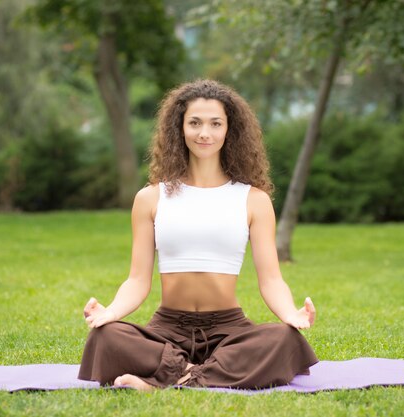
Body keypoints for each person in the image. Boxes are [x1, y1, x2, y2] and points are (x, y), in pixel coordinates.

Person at [79, 79, 318, 391]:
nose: (205, 133)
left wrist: (291, 314)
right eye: (195, 123)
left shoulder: (253, 200)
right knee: (106, 336)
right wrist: (110, 312)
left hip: (229, 329)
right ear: (179, 128)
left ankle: (168, 378)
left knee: (284, 339)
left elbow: (271, 279)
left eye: (215, 123)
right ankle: (200, 375)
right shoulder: (150, 198)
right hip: (167, 328)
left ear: (229, 130)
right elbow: (138, 280)